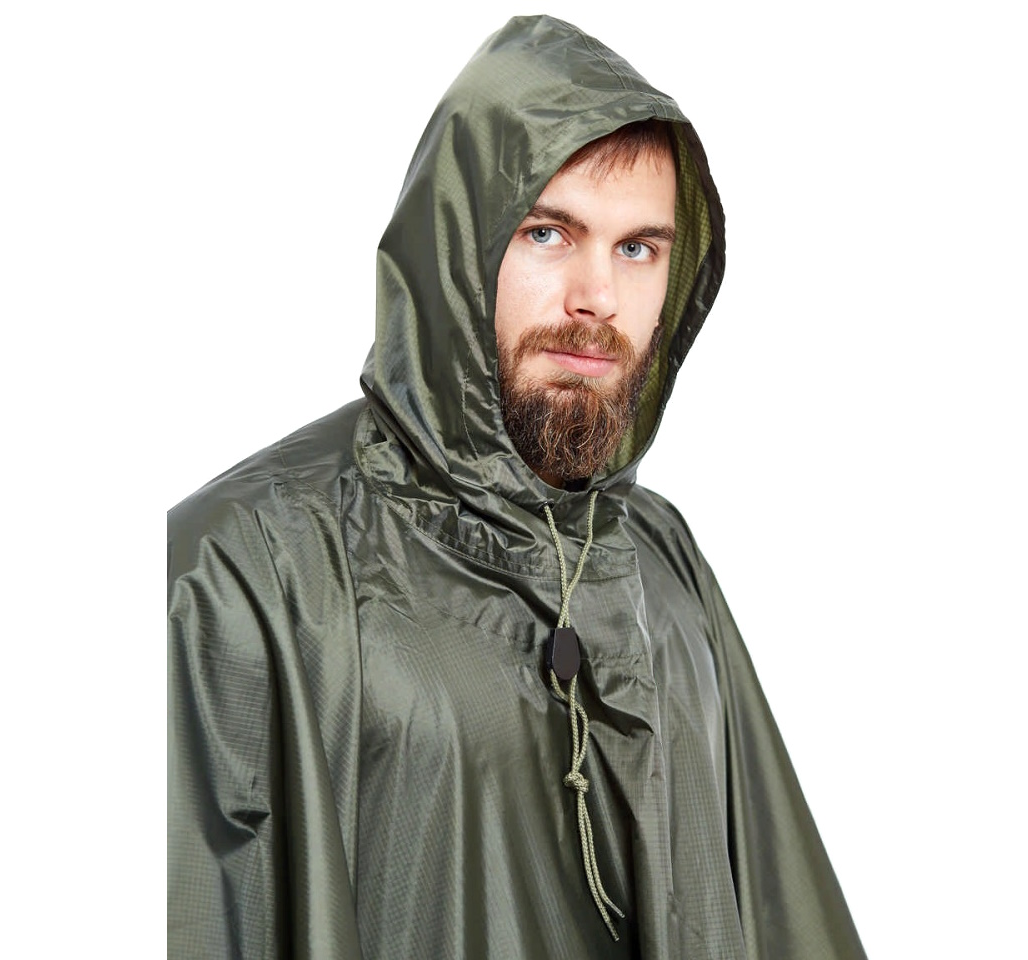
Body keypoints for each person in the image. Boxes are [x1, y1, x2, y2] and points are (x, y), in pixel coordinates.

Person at [168, 14, 865, 959]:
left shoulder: (659, 556)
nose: (597, 298)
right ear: (454, 247)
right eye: (548, 234)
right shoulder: (240, 568)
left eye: (637, 249)